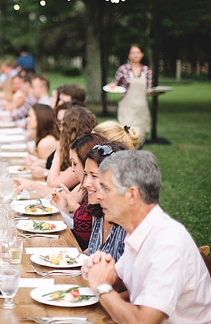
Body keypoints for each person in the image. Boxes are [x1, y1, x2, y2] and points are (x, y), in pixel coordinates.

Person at [82, 150, 211, 323]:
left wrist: (102, 287)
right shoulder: (139, 231)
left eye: (105, 188)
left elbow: (143, 321)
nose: (99, 195)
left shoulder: (168, 242)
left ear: (132, 195)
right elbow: (119, 280)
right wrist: (99, 269)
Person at [51, 134, 108, 249]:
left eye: (75, 163)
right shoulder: (88, 189)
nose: (72, 168)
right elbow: (94, 247)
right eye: (87, 174)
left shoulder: (106, 206)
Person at [82, 142, 128, 260]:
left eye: (94, 176)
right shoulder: (99, 211)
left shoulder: (130, 226)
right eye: (86, 175)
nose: (85, 183)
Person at [108, 44, 152, 136]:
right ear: (129, 55)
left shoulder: (147, 70)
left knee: (140, 133)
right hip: (126, 106)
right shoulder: (123, 69)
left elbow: (149, 89)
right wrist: (111, 85)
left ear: (142, 54)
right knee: (126, 133)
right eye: (132, 53)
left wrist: (154, 92)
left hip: (141, 107)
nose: (135, 55)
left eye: (138, 52)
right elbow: (115, 83)